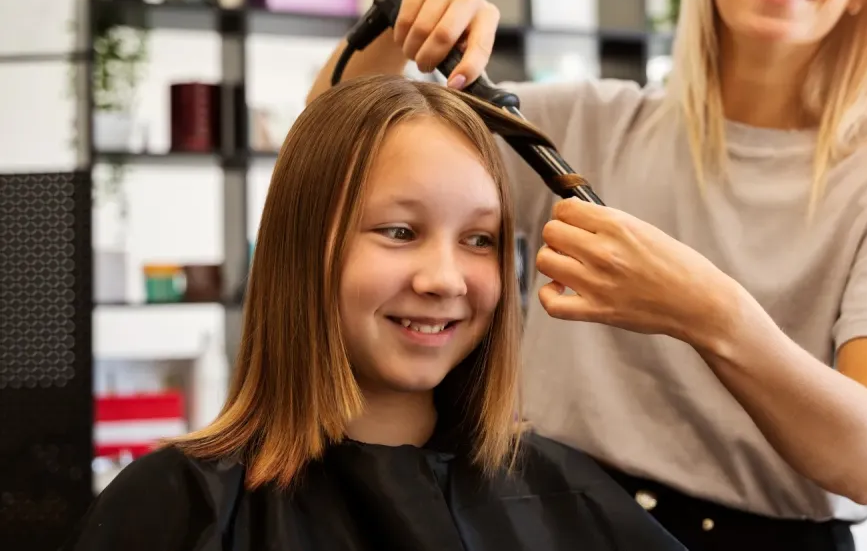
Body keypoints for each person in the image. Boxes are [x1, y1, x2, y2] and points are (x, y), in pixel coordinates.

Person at [306, 0, 867, 549]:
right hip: (542, 518)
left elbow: (865, 459)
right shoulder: (585, 123)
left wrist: (710, 312)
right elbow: (327, 166)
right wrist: (401, 28)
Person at [62, 75, 688, 551]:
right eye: (398, 231)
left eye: (479, 240)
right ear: (303, 250)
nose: (444, 280)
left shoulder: (561, 492)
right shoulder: (178, 507)